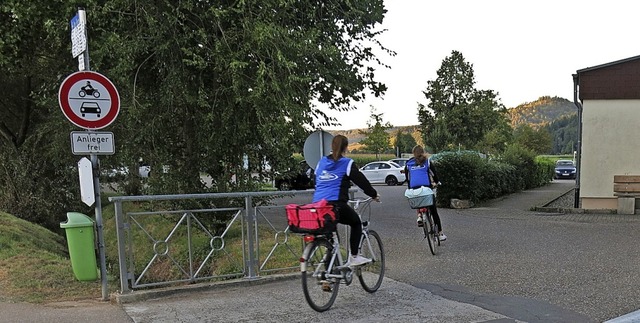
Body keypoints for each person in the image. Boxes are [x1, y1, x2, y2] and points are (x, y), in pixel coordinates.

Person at [312, 134, 380, 266]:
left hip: (318, 205)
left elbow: (315, 181)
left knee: (330, 235)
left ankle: (328, 273)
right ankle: (354, 256)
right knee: (356, 223)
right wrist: (373, 194)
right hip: (336, 205)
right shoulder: (347, 163)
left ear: (332, 146)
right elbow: (361, 181)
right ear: (346, 147)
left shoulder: (321, 162)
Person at [404, 145, 447, 241]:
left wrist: (410, 187)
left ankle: (419, 215)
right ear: (423, 152)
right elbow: (434, 174)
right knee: (434, 211)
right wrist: (437, 182)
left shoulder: (409, 163)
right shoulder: (427, 162)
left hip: (413, 189)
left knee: (418, 198)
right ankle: (440, 233)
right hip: (426, 188)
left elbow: (408, 178)